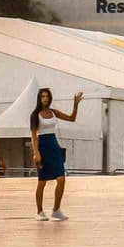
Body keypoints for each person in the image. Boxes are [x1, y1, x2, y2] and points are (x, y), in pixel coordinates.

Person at [29, 88, 83, 221]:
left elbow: (72, 118)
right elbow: (33, 136)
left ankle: (56, 209)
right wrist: (36, 153)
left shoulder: (53, 112)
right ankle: (39, 211)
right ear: (39, 98)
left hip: (54, 145)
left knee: (61, 178)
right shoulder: (35, 115)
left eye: (47, 96)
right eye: (42, 96)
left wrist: (75, 105)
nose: (45, 99)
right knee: (42, 181)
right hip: (42, 146)